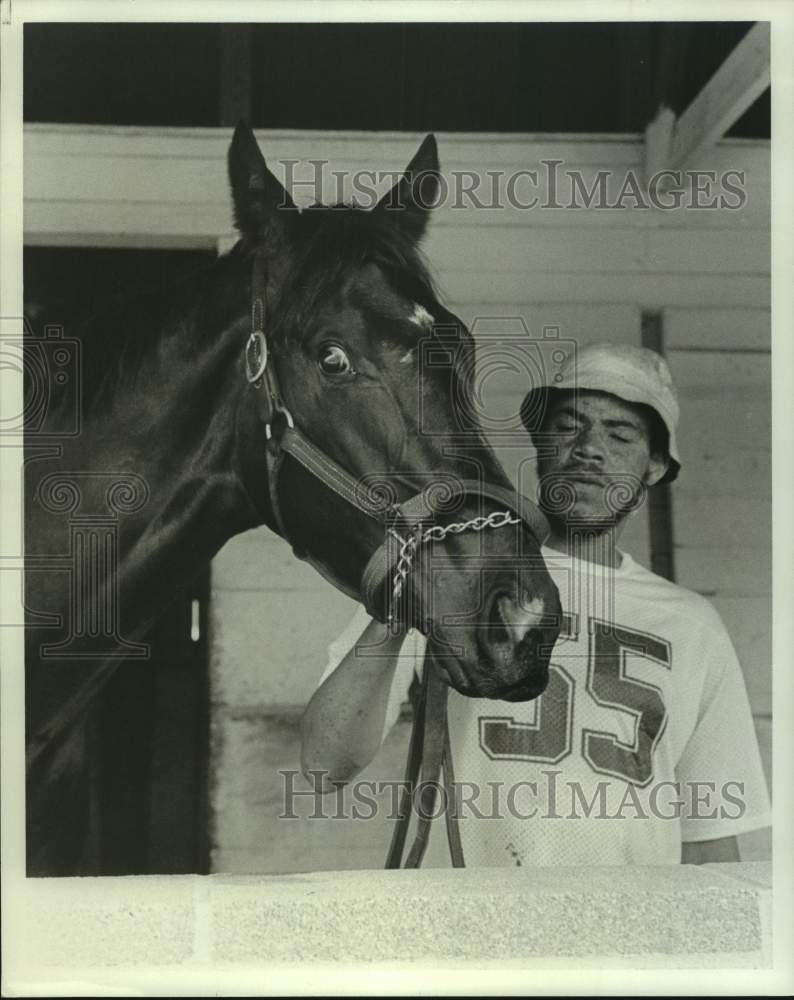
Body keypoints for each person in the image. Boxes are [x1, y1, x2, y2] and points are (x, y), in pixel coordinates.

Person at [300, 342, 771, 867]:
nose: (591, 448)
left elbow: (711, 838)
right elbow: (324, 764)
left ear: (655, 465)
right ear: (540, 441)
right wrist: (401, 600)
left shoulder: (692, 625)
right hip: (473, 927)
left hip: (631, 933)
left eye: (620, 434)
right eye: (570, 425)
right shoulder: (452, 570)